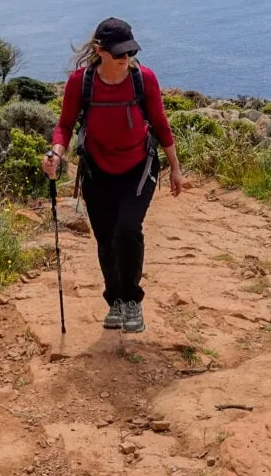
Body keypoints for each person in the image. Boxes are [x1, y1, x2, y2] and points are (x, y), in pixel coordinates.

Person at [43, 17, 182, 334]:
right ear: (99, 50)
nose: (125, 59)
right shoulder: (82, 82)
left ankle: (132, 301)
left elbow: (160, 124)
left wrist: (174, 167)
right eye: (119, 53)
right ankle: (116, 302)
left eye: (129, 52)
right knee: (106, 239)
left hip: (138, 168)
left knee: (127, 230)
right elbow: (64, 125)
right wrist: (56, 152)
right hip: (96, 170)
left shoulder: (143, 79)